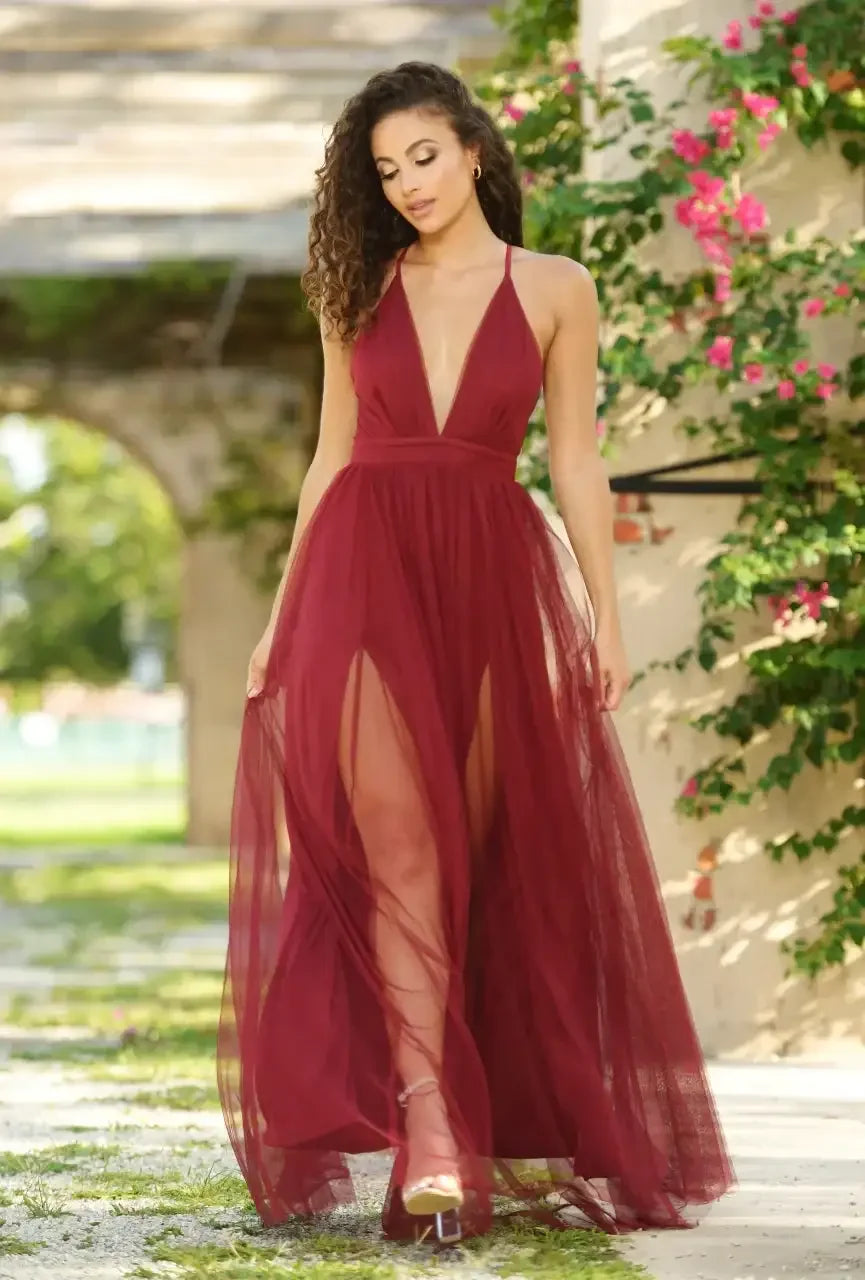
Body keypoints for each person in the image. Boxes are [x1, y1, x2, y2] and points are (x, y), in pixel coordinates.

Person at [217, 60, 734, 1247]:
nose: (406, 185)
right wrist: (279, 615)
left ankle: (456, 1114)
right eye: (386, 169)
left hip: (496, 582)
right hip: (363, 573)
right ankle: (428, 1125)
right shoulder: (357, 290)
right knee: (397, 849)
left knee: (470, 858)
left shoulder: (557, 287)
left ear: (475, 151)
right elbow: (328, 458)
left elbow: (577, 458)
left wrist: (603, 612)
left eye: (424, 158)